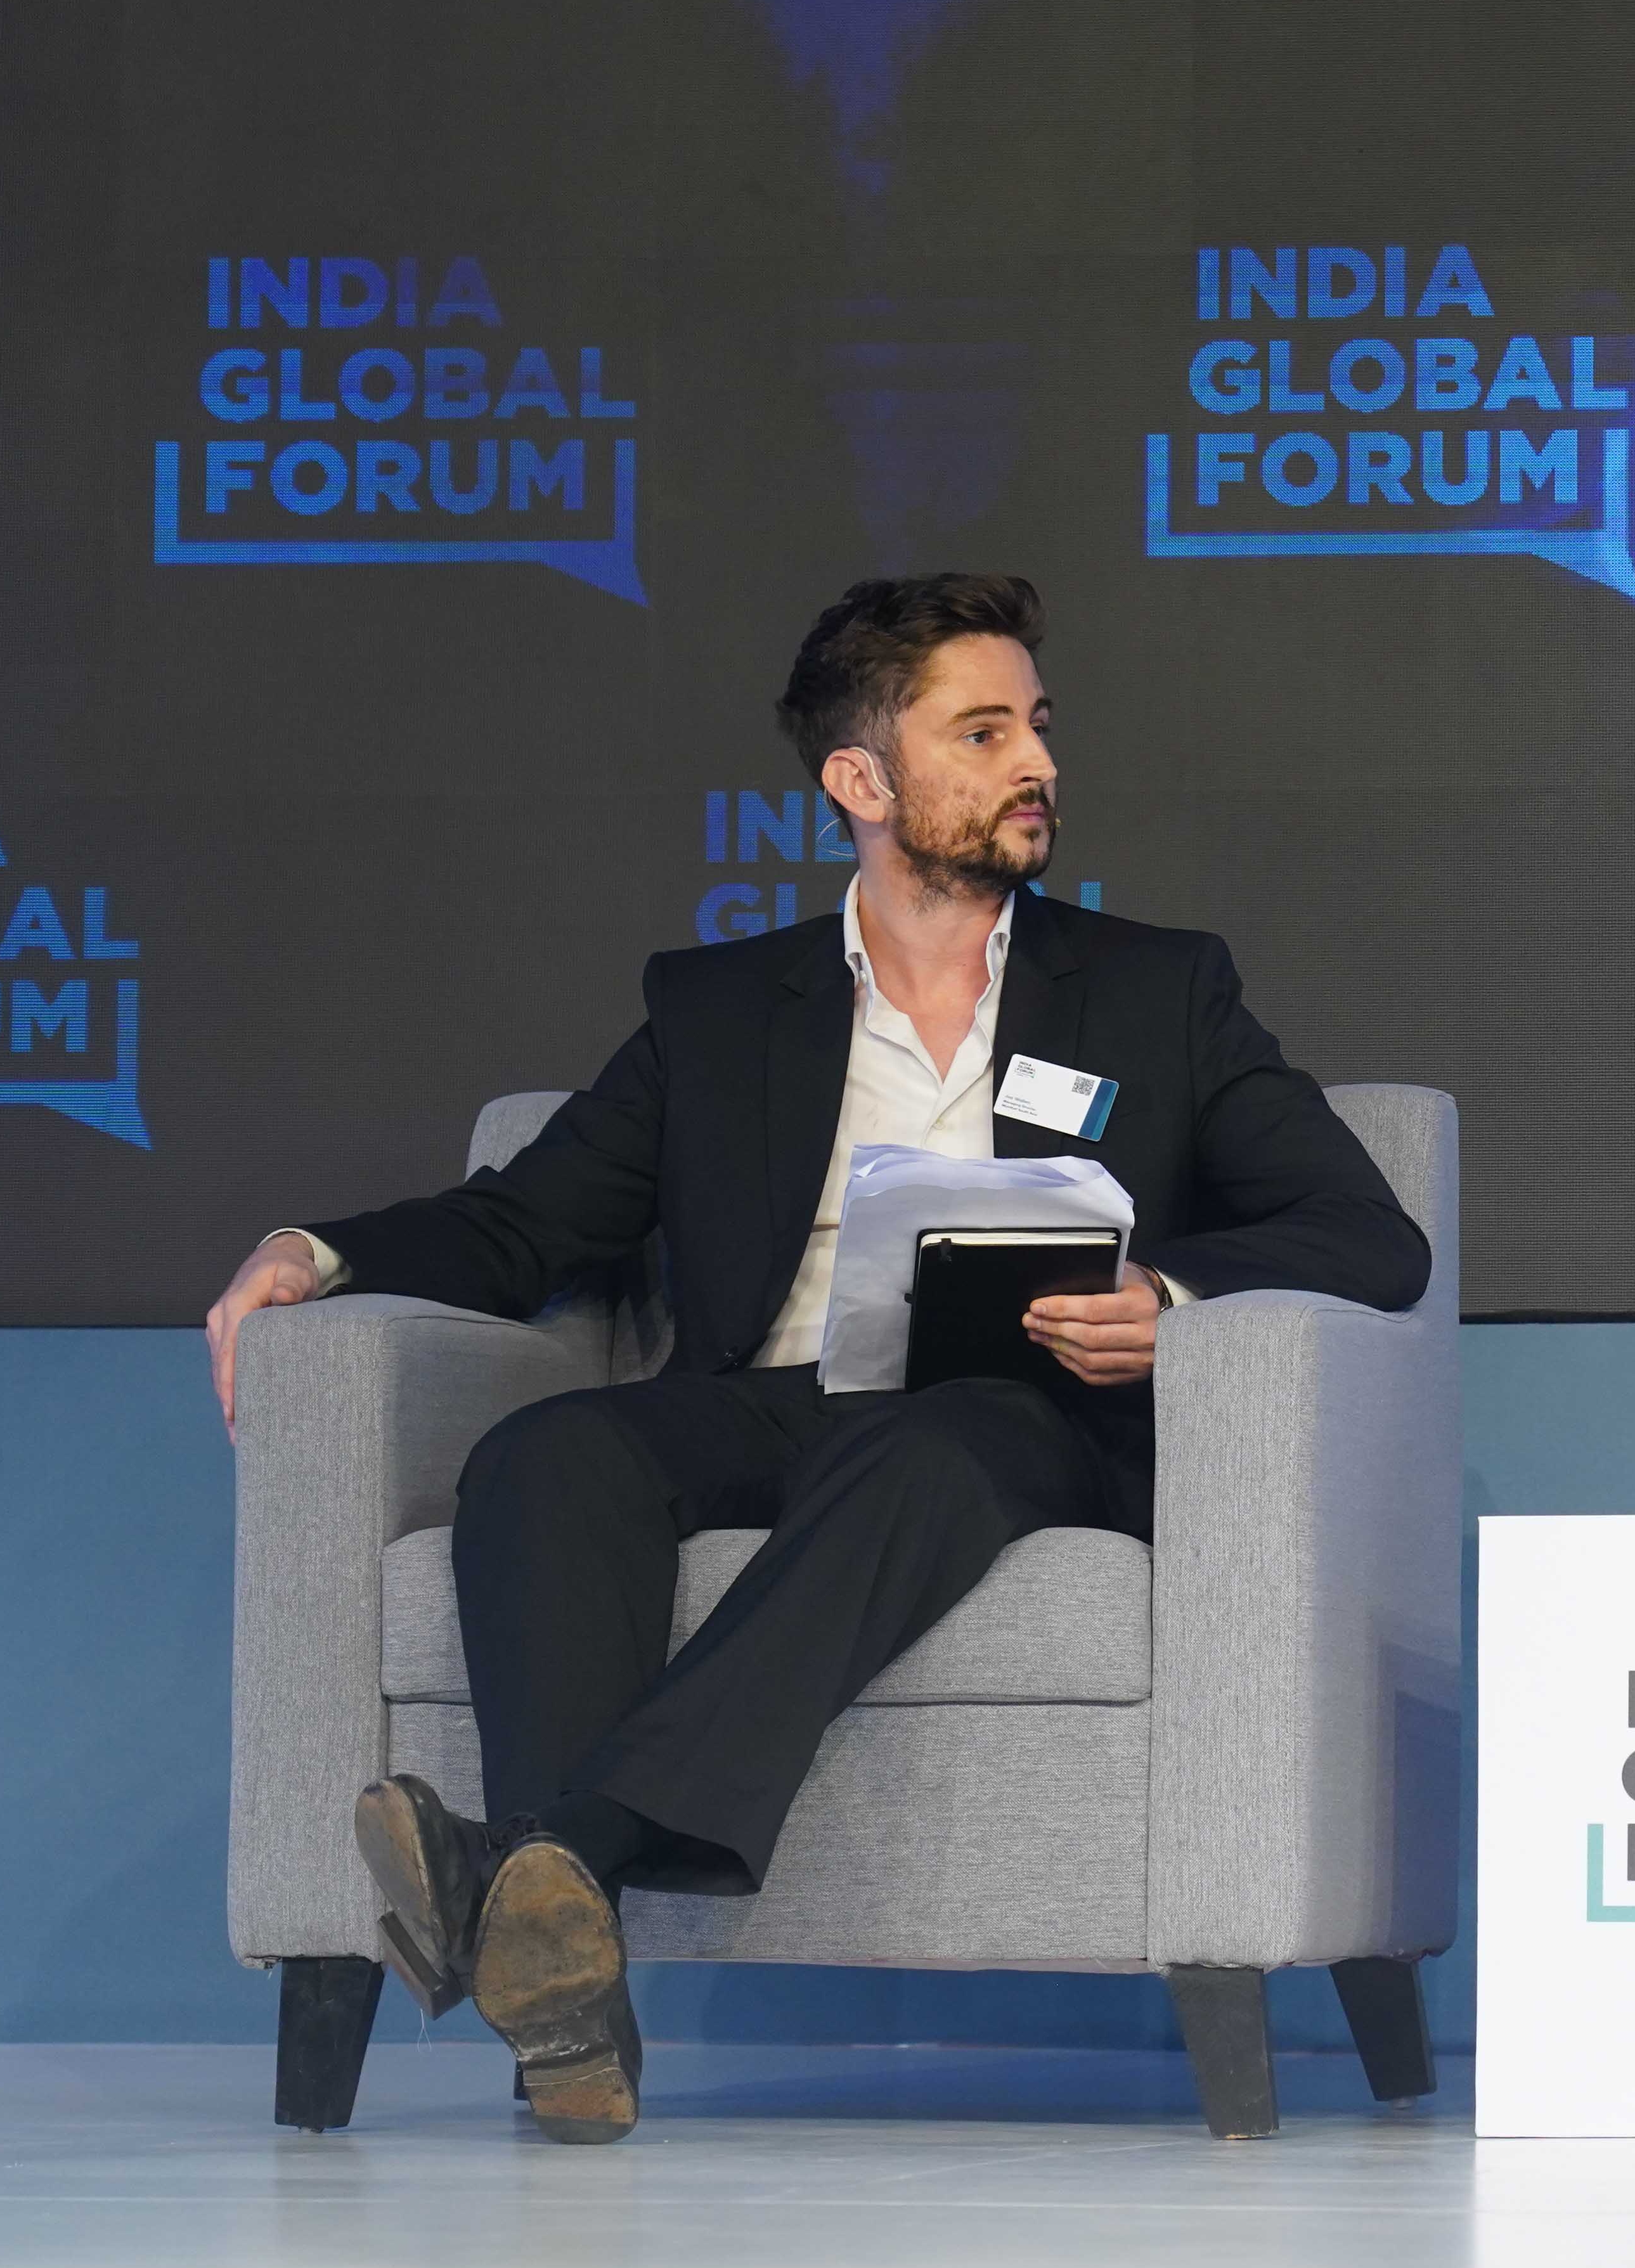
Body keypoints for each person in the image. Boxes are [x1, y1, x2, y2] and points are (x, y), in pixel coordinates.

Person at [203, 574, 1430, 2144]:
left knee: (931, 1436)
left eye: (1036, 725)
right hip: (782, 1403)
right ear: (862, 779)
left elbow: (1368, 1232)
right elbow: (525, 1223)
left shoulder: (1157, 987)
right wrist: (313, 1251)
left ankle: (547, 1862)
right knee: (549, 1452)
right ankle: (565, 1982)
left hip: (1030, 1415)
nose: (1035, 762)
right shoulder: (720, 1008)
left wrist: (1172, 1294)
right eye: (980, 733)